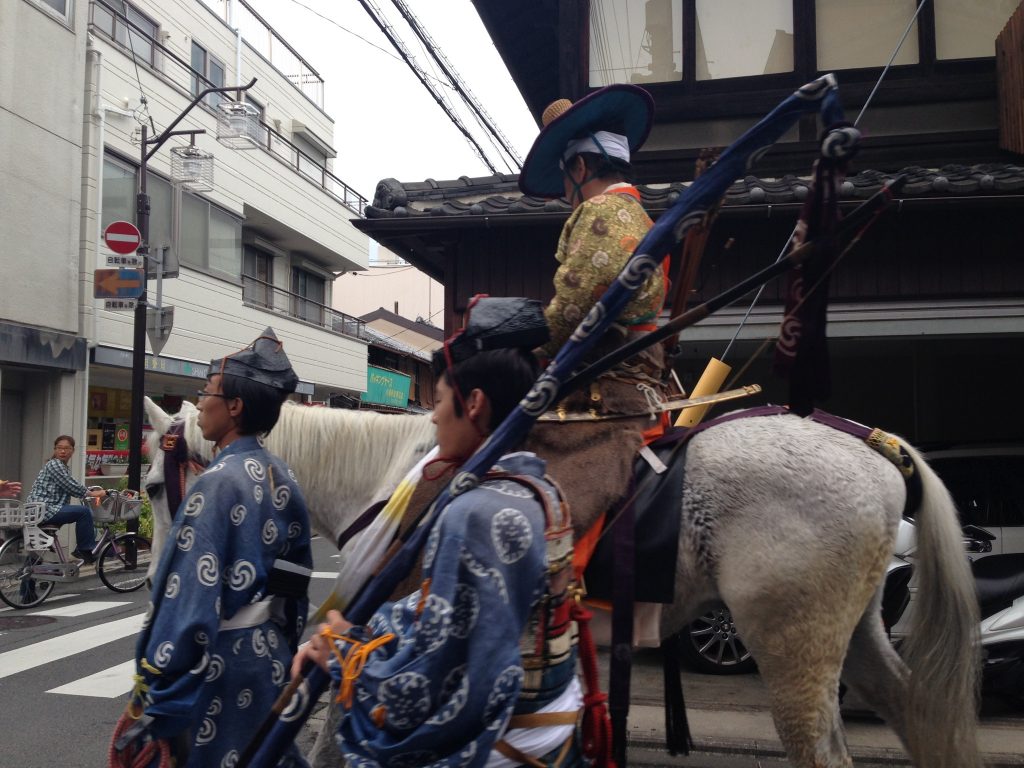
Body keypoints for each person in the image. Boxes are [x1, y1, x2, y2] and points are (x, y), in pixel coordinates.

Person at [295, 298, 588, 768]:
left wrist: (347, 655)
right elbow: (448, 613)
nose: (432, 418)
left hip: (505, 740)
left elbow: (432, 677)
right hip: (549, 722)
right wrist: (365, 631)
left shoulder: (473, 511)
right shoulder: (543, 490)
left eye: (437, 402)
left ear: (472, 404)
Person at [118, 328, 313, 768]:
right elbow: (297, 581)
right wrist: (278, 644)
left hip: (220, 667)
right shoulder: (283, 475)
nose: (200, 402)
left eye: (207, 392)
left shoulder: (216, 484)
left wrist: (158, 686)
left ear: (234, 407)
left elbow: (187, 602)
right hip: (269, 656)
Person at [518, 84, 670, 542]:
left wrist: (519, 346)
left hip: (605, 379)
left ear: (581, 167)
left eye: (566, 179)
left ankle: (555, 582)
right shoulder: (637, 213)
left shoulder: (602, 211)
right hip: (633, 370)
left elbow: (572, 311)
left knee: (543, 486)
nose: (566, 192)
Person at [26, 435, 105, 562]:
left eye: (67, 448)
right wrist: (93, 494)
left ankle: (27, 579)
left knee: (39, 549)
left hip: (40, 510)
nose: (63, 451)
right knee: (84, 512)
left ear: (72, 451)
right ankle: (84, 550)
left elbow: (71, 484)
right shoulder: (54, 464)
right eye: (59, 448)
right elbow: (70, 485)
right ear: (55, 450)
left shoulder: (62, 467)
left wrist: (87, 491)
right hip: (44, 509)